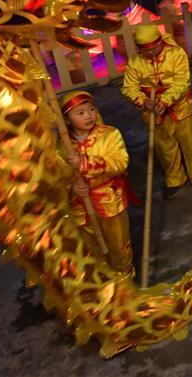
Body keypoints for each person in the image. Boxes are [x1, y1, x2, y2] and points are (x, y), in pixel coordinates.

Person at [122, 24, 192, 198]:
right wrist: (143, 101)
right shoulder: (135, 62)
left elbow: (182, 82)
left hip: (181, 106)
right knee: (164, 146)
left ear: (160, 42)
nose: (149, 54)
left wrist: (165, 101)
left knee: (191, 141)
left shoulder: (176, 54)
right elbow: (129, 87)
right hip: (152, 111)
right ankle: (174, 179)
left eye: (153, 49)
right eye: (143, 50)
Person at [59, 90, 136, 276]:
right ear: (67, 120)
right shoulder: (63, 145)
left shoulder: (109, 134)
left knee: (119, 247)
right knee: (92, 249)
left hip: (110, 202)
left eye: (91, 109)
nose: (89, 116)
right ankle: (106, 288)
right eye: (80, 113)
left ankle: (126, 285)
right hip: (81, 207)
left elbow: (120, 162)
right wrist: (72, 186)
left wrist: (84, 163)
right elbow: (58, 173)